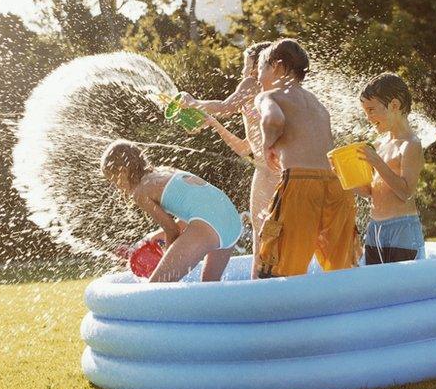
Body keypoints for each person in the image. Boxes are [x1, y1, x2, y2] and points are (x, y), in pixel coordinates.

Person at [255, 38, 360, 278]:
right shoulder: (317, 103)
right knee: (341, 270)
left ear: (278, 67)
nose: (257, 77)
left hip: (301, 184)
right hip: (337, 185)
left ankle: (282, 314)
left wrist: (267, 145)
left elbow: (273, 120)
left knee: (279, 268)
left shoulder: (270, 96)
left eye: (261, 68)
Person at [181, 42, 279, 276]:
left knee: (262, 231)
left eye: (246, 65)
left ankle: (259, 282)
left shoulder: (253, 83)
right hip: (268, 168)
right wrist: (215, 124)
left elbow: (226, 106)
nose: (243, 72)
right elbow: (245, 148)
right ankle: (272, 279)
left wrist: (193, 102)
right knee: (270, 230)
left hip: (269, 172)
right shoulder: (268, 93)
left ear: (258, 66)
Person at [100, 140, 242, 283]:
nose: (116, 187)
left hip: (211, 223)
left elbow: (172, 230)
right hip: (232, 219)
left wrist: (166, 259)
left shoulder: (140, 191)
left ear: (123, 172)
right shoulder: (164, 171)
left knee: (157, 288)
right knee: (210, 285)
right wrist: (153, 237)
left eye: (113, 180)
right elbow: (197, 213)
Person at [352, 73, 425, 264]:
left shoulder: (411, 144)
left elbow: (405, 192)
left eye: (371, 110)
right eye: (365, 112)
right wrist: (347, 178)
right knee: (376, 288)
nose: (368, 117)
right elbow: (370, 192)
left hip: (402, 228)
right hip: (375, 227)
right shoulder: (380, 144)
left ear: (394, 105)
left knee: (404, 290)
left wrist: (377, 162)